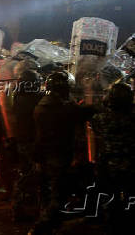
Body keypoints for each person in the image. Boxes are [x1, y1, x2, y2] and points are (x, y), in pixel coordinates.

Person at [30, 71, 95, 235]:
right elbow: (84, 113)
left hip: (43, 153)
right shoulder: (62, 108)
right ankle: (42, 226)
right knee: (58, 194)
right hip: (58, 154)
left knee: (47, 192)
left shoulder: (42, 105)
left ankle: (50, 223)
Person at [91, 83, 135, 235]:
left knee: (111, 199)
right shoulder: (132, 118)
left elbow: (95, 123)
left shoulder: (101, 118)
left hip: (108, 165)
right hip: (130, 164)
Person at [11, 69, 43, 221]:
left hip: (22, 140)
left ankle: (20, 206)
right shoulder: (34, 98)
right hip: (31, 141)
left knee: (24, 173)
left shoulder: (18, 97)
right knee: (31, 175)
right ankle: (25, 208)